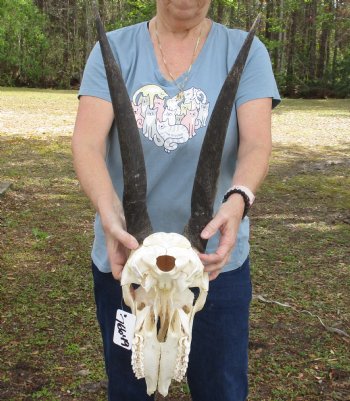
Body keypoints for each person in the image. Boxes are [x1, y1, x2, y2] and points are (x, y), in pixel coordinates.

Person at [72, 1, 280, 400]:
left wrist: (238, 198)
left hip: (212, 266)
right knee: (131, 387)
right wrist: (107, 208)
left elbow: (256, 144)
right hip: (130, 264)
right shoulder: (112, 49)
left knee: (221, 388)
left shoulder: (246, 50)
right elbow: (87, 142)